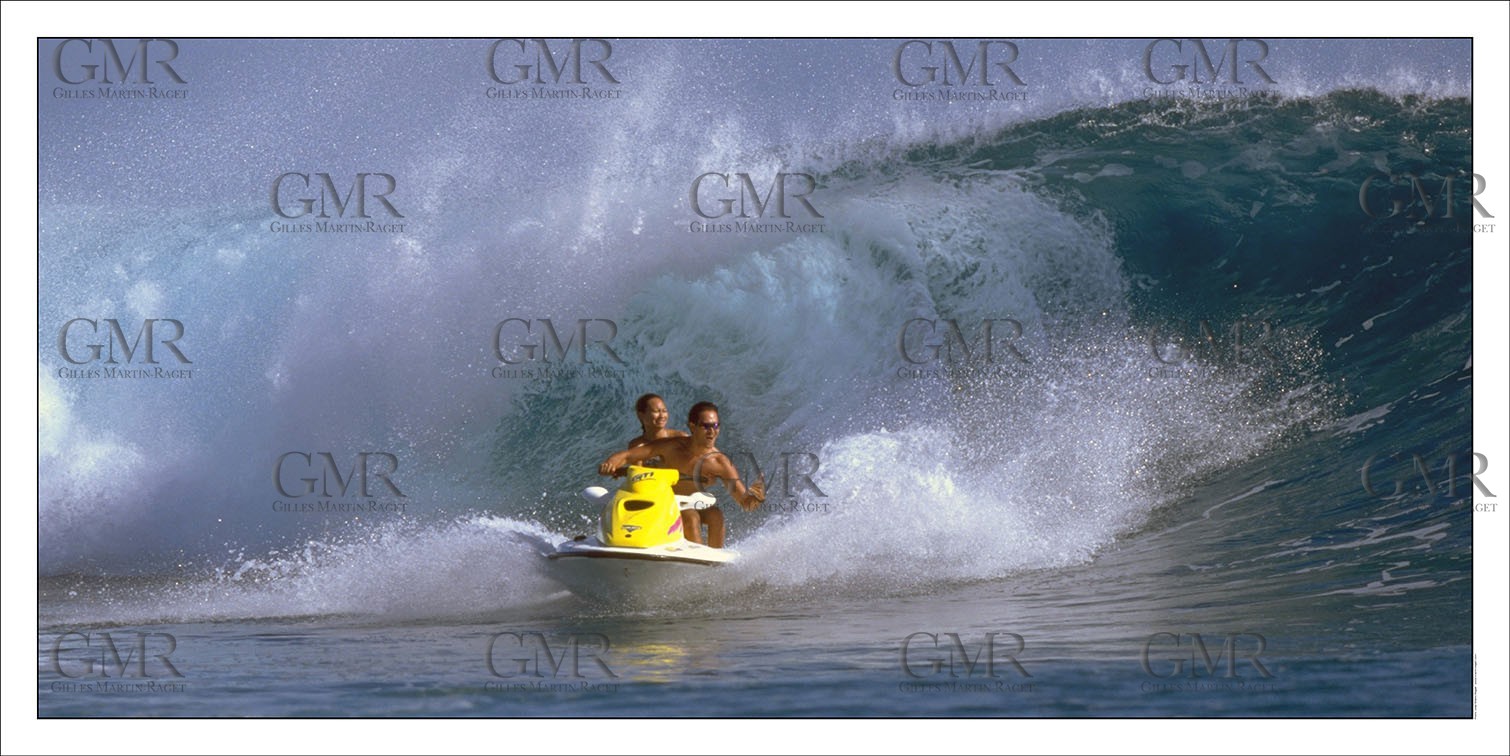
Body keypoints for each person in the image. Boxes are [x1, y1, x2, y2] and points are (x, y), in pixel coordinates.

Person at [598, 401, 764, 548]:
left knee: (716, 515)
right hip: (662, 502)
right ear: (692, 426)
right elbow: (628, 455)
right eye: (706, 426)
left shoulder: (720, 462)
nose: (712, 431)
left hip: (692, 502)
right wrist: (611, 463)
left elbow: (745, 502)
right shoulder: (672, 447)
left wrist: (756, 497)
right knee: (690, 517)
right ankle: (695, 562)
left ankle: (713, 563)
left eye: (715, 426)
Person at [627, 394, 687, 458]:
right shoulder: (637, 445)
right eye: (656, 411)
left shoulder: (681, 439)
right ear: (641, 415)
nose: (662, 416)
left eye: (664, 411)